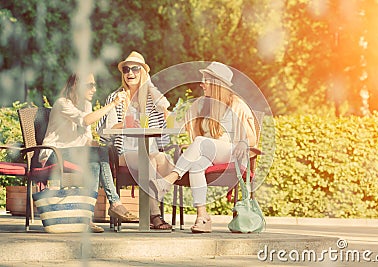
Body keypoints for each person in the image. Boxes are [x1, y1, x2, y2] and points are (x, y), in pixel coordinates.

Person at [150, 62, 258, 233]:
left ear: (217, 84)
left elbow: (252, 137)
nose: (201, 84)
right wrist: (164, 110)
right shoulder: (201, 105)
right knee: (196, 164)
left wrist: (244, 142)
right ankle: (203, 217)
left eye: (206, 80)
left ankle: (168, 181)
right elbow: (178, 124)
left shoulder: (236, 104)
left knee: (200, 141)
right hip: (209, 153)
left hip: (233, 154)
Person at [39, 72, 138, 233]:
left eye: (94, 84)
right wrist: (113, 104)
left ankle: (87, 218)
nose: (94, 89)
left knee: (96, 159)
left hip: (75, 154)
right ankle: (115, 203)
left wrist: (97, 144)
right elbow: (85, 120)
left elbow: (86, 138)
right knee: (98, 154)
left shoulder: (86, 106)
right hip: (53, 154)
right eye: (90, 85)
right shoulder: (62, 103)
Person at [96, 51, 174, 230]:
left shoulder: (151, 100)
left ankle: (150, 201)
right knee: (150, 161)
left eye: (135, 69)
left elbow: (167, 125)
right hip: (123, 152)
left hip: (150, 150)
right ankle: (154, 214)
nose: (130, 73)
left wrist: (154, 91)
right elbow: (103, 132)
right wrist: (123, 124)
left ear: (143, 73)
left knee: (169, 165)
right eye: (126, 69)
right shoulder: (116, 98)